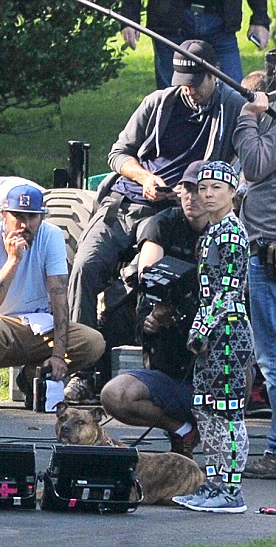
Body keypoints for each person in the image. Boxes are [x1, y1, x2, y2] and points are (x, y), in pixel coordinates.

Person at [68, 40, 246, 331]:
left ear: (214, 74)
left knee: (148, 277)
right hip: (125, 203)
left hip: (174, 213)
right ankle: (80, 352)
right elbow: (118, 154)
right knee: (85, 266)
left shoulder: (233, 107)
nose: (188, 89)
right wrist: (145, 178)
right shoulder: (158, 103)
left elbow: (252, 153)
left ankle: (143, 344)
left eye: (195, 83)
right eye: (183, 82)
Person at [101, 160, 209, 459]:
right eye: (187, 189)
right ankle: (182, 430)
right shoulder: (162, 224)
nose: (192, 197)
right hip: (171, 363)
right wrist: (157, 312)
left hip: (213, 365)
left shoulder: (228, 234)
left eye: (200, 190)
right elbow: (149, 275)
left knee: (243, 367)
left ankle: (223, 458)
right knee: (115, 394)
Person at [0, 184, 106, 409]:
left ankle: (33, 378)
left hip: (38, 325)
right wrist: (13, 261)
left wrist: (58, 355)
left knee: (93, 342)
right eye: (18, 217)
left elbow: (59, 296)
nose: (25, 225)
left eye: (32, 217)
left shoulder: (51, 236)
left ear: (41, 218)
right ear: (4, 216)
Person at [173, 161, 252, 513]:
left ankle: (230, 490)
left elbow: (229, 290)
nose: (207, 194)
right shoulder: (212, 232)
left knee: (227, 411)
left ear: (232, 192)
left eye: (216, 188)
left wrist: (201, 327)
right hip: (213, 332)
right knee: (205, 408)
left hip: (229, 332)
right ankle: (215, 482)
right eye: (202, 187)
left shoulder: (231, 233)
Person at [233, 90, 276, 479]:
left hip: (269, 256)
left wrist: (248, 116)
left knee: (272, 361)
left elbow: (255, 164)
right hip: (264, 252)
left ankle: (275, 453)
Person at [121, 0, 270, 89]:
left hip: (220, 21)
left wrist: (260, 18)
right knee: (170, 97)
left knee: (233, 94)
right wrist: (129, 15)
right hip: (170, 19)